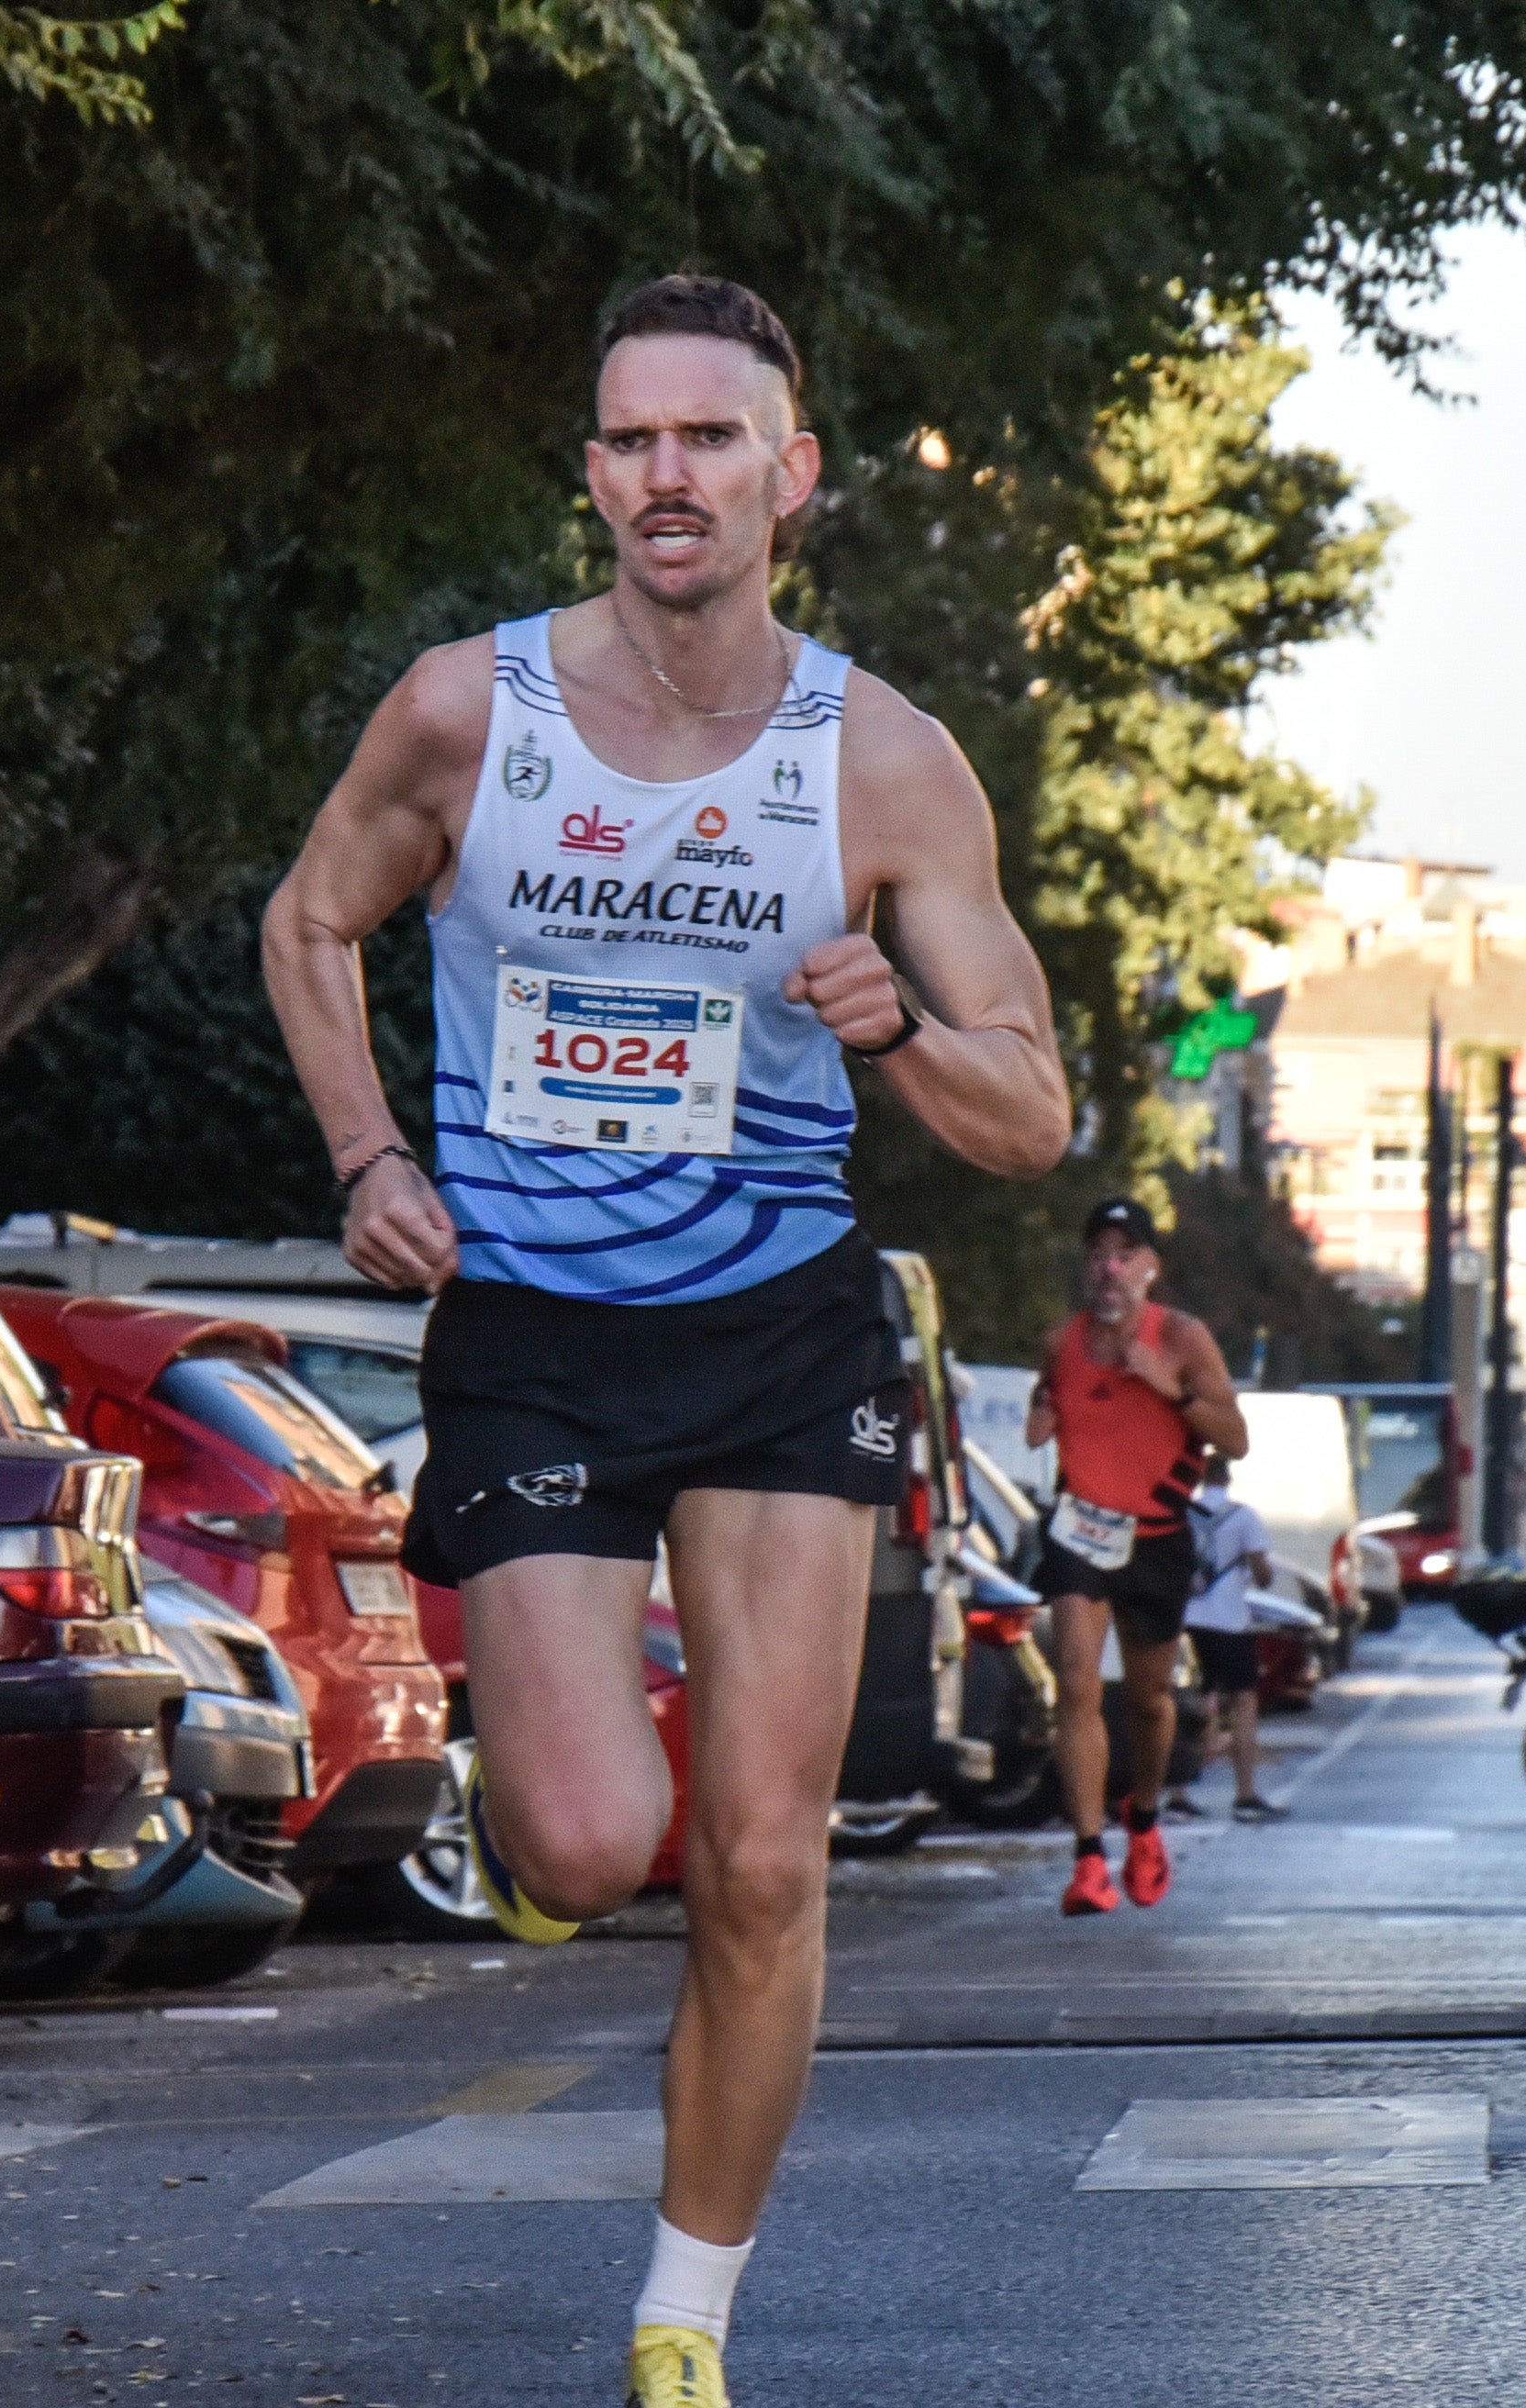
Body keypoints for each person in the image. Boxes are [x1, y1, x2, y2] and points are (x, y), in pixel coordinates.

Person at [257, 274, 1069, 2408]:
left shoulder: (882, 762)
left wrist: (897, 1028)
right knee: (602, 1836)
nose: (667, 473)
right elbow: (309, 914)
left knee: (770, 1851)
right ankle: (537, 1816)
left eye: (711, 437)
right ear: (591, 474)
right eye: (630, 439)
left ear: (790, 474)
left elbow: (1033, 1106)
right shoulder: (466, 713)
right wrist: (365, 1149)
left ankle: (682, 2314)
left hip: (779, 1327)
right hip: (531, 1323)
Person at [1023, 1198, 1250, 1913]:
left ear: (1152, 1266)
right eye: (1098, 1253)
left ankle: (1143, 1820)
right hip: (1082, 1528)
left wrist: (1170, 1387)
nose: (1109, 1267)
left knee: (1150, 1700)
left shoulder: (1183, 1338)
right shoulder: (1061, 1341)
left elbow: (1235, 1439)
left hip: (1156, 1537)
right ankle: (1089, 1858)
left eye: (1125, 1253)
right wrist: (1041, 1417)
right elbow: (1045, 1404)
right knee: (1077, 1682)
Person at [1178, 1457, 1287, 1822]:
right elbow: (1263, 1573)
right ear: (1228, 1477)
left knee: (1188, 1702)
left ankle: (1177, 1790)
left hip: (1187, 1621)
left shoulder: (1183, 1515)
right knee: (1243, 1702)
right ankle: (1245, 1791)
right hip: (1230, 1622)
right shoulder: (1243, 1517)